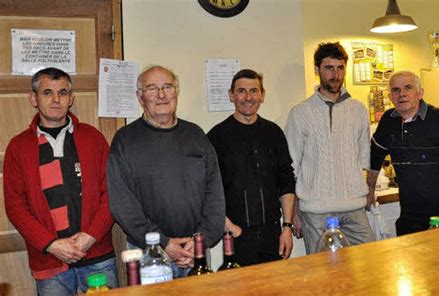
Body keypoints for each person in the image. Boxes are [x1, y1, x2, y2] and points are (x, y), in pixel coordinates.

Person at [3, 67, 117, 295]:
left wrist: (90, 237)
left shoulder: (93, 138)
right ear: (33, 98)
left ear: (71, 98)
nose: (56, 100)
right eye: (47, 92)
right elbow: (15, 206)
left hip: (97, 256)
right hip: (49, 262)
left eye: (62, 93)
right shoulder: (18, 147)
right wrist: (51, 244)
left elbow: (114, 192)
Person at [107, 65, 225, 278]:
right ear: (140, 97)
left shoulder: (196, 135)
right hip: (148, 254)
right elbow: (122, 204)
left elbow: (214, 194)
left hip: (194, 252)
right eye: (152, 89)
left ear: (176, 93)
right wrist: (162, 243)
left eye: (167, 87)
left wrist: (200, 241)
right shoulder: (125, 141)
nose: (161, 95)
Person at [285, 42, 375, 254]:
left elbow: (365, 158)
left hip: (354, 208)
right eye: (329, 68)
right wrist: (294, 212)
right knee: (324, 275)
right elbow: (291, 166)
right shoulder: (300, 113)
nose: (335, 74)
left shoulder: (359, 110)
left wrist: (370, 190)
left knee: (371, 265)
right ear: (317, 70)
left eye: (340, 67)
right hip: (315, 213)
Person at [368, 70, 439, 235]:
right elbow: (375, 156)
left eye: (408, 87)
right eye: (396, 90)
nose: (402, 94)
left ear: (420, 93)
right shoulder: (389, 121)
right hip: (410, 222)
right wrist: (370, 190)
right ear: (390, 97)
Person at [207, 69, 296, 266]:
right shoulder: (216, 137)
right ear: (231, 95)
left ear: (262, 95)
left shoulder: (273, 133)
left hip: (273, 233)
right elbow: (208, 190)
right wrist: (229, 228)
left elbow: (286, 180)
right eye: (241, 91)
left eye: (254, 91)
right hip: (237, 235)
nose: (248, 97)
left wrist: (287, 227)